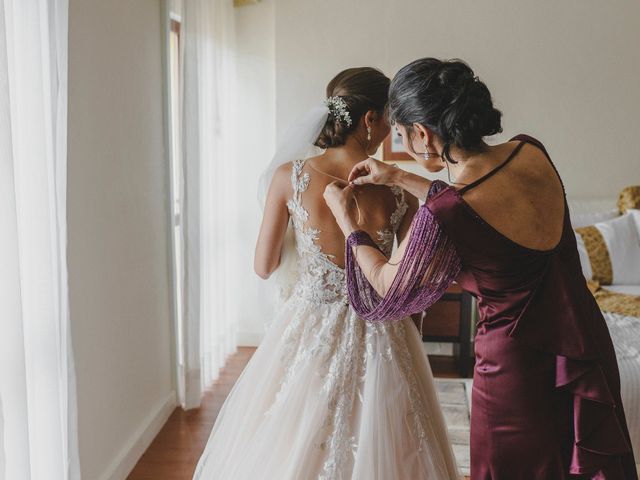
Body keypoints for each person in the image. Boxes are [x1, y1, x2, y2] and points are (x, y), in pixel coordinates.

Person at [324, 58, 638, 479]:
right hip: (583, 344)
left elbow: (387, 283)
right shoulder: (530, 150)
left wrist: (349, 223)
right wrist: (399, 177)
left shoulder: (444, 211)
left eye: (400, 134)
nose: (402, 143)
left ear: (422, 133)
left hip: (515, 371)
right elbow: (473, 200)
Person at [193, 67, 461, 480]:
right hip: (382, 329)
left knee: (294, 433)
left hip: (309, 323)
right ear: (370, 119)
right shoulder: (397, 189)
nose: (391, 129)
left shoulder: (290, 176)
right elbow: (405, 278)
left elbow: (263, 268)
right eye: (389, 118)